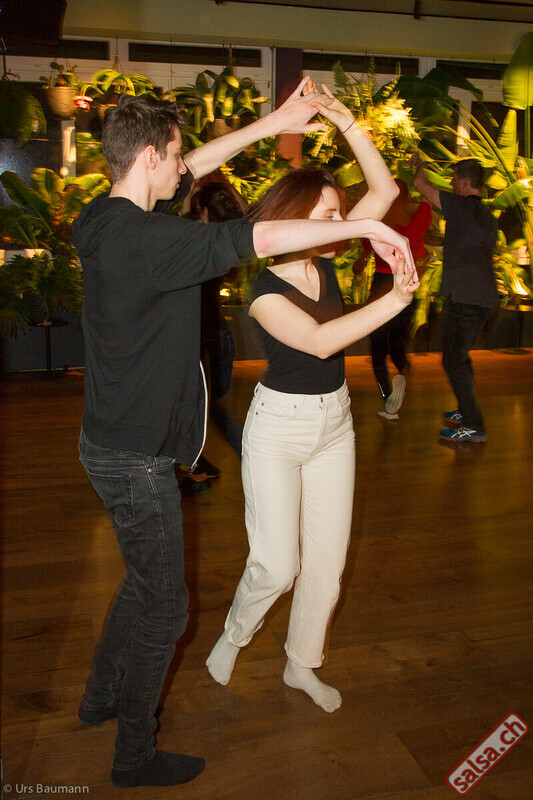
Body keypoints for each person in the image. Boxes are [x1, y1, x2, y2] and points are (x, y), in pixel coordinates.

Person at [71, 82, 416, 788]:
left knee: (142, 585)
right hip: (136, 456)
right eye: (175, 157)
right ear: (148, 159)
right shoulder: (159, 242)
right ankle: (134, 754)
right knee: (165, 606)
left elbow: (197, 169)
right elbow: (261, 238)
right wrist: (366, 231)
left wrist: (275, 123)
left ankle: (100, 697)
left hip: (115, 443)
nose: (186, 168)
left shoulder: (102, 218)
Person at [206, 85, 420, 714]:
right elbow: (323, 342)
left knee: (326, 564)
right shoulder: (264, 292)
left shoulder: (324, 261)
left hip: (335, 427)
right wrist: (396, 299)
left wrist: (346, 121)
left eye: (337, 214)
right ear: (295, 218)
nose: (340, 225)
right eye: (326, 216)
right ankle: (234, 635)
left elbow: (384, 193)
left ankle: (301, 664)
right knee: (277, 565)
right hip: (278, 430)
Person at [412, 155, 498, 442]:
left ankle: (474, 426)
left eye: (453, 179)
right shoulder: (487, 215)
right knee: (459, 358)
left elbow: (420, 184)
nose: (450, 183)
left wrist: (420, 164)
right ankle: (466, 410)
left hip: (467, 299)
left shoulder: (460, 206)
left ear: (463, 183)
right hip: (482, 297)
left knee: (453, 361)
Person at [180, 180, 247, 495]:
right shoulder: (227, 240)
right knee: (214, 408)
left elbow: (179, 222)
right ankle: (199, 464)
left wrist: (188, 195)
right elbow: (246, 215)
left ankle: (197, 468)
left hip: (198, 339)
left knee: (199, 409)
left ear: (203, 210)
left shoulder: (193, 239)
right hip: (220, 336)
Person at [357, 179, 432, 419]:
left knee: (377, 349)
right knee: (398, 345)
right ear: (407, 198)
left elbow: (360, 261)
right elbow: (428, 197)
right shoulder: (418, 219)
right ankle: (402, 376)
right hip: (405, 284)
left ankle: (388, 400)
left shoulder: (378, 225)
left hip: (381, 285)